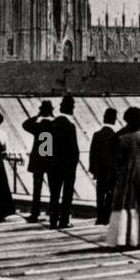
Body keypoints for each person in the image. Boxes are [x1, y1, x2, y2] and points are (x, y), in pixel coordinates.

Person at [106, 107, 140, 248]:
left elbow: (118, 159)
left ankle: (125, 238)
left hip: (127, 172)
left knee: (126, 201)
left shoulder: (121, 138)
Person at [46, 95, 80, 230]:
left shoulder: (50, 125)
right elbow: (74, 150)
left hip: (52, 166)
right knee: (67, 194)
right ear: (71, 110)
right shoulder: (71, 126)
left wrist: (49, 163)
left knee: (54, 194)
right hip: (68, 167)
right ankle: (64, 220)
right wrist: (73, 164)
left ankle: (53, 221)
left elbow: (45, 149)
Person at [21, 100, 56, 224]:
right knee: (54, 189)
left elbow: (25, 124)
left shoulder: (38, 126)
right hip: (51, 160)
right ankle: (53, 213)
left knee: (37, 188)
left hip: (38, 160)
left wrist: (37, 115)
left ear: (42, 110)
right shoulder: (54, 125)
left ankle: (34, 213)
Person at [89, 108, 120, 226]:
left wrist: (93, 170)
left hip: (100, 171)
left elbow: (92, 154)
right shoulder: (116, 136)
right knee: (110, 194)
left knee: (100, 194)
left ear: (104, 118)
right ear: (114, 120)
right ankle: (107, 217)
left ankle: (99, 217)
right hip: (112, 171)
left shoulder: (97, 135)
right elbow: (117, 156)